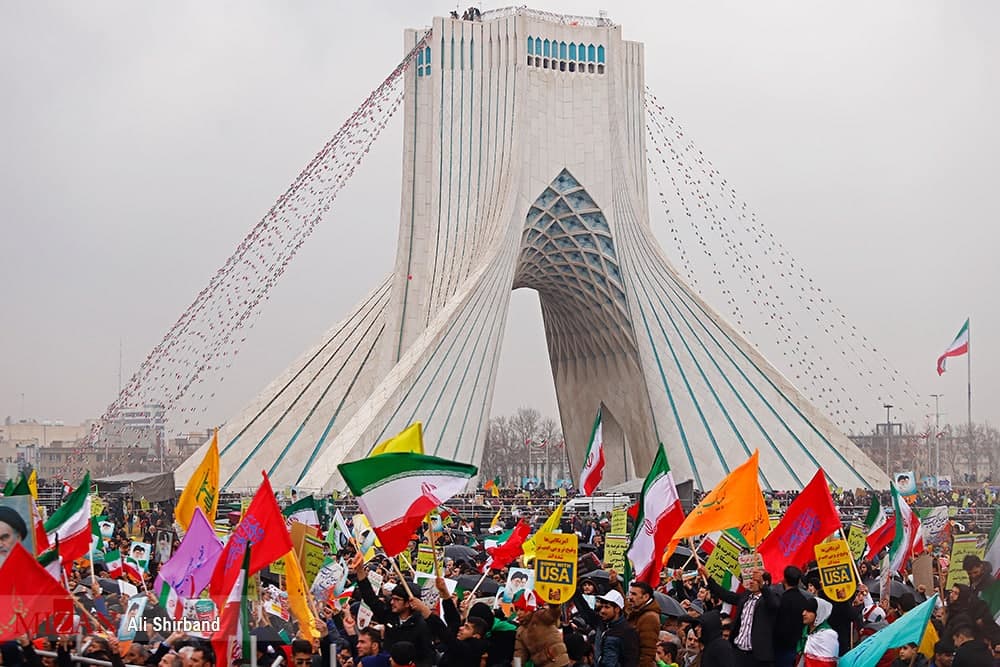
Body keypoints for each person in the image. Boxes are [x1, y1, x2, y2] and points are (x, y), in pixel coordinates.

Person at [350, 553, 434, 667]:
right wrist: (360, 571)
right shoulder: (389, 615)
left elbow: (427, 657)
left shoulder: (422, 625)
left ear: (409, 603)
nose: (392, 602)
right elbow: (370, 599)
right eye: (392, 598)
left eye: (397, 599)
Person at [700, 565, 780, 667]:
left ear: (765, 582)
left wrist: (762, 586)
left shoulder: (770, 599)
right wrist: (708, 577)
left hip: (757, 657)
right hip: (738, 652)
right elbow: (725, 595)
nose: (751, 581)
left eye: (755, 580)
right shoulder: (745, 596)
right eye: (751, 578)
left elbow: (774, 605)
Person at [513, 590, 570, 667]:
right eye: (517, 610)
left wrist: (554, 604)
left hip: (559, 662)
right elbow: (519, 653)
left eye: (522, 609)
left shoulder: (540, 616)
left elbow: (553, 613)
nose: (518, 613)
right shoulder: (520, 631)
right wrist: (517, 666)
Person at [593, 590, 640, 667]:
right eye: (601, 607)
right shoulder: (605, 626)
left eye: (607, 607)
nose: (602, 611)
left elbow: (631, 661)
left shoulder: (628, 632)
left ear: (617, 609)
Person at [774, 566, 807, 667]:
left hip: (781, 648)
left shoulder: (781, 600)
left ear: (784, 580)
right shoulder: (804, 600)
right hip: (797, 648)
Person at [627, 581, 661, 667]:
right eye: (630, 593)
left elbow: (648, 651)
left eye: (634, 594)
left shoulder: (650, 617)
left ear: (645, 597)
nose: (630, 597)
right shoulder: (638, 611)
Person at [798, 597, 840, 667]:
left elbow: (828, 663)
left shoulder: (828, 635)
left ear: (818, 613)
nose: (804, 613)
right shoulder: (805, 632)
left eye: (809, 611)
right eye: (804, 610)